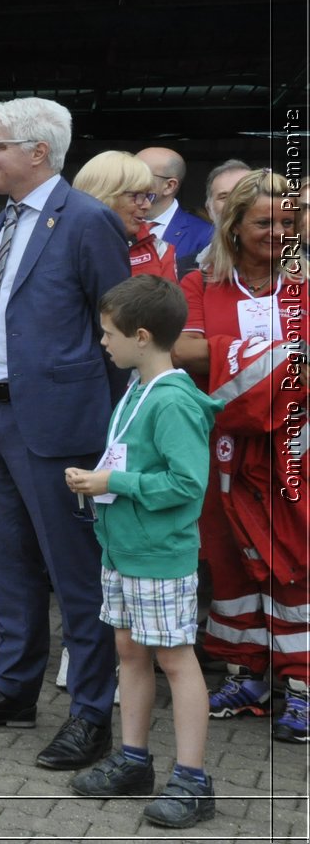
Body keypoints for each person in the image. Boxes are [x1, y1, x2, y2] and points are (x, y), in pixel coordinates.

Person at [0, 97, 129, 772]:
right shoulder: (8, 220)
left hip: (60, 425)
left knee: (75, 577)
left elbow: (118, 336)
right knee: (8, 566)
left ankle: (91, 713)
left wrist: (108, 430)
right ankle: (13, 691)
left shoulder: (89, 221)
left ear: (37, 153)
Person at [62, 276, 221, 828]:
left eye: (109, 334)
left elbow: (186, 485)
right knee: (129, 651)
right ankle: (134, 760)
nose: (103, 342)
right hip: (123, 548)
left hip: (159, 553)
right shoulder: (136, 387)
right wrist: (102, 483)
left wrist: (114, 481)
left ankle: (194, 780)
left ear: (143, 336)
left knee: (175, 658)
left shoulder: (173, 402)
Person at [173, 170, 308, 743]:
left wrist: (228, 356)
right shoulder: (199, 285)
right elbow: (181, 350)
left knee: (296, 561)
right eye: (264, 222)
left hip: (295, 452)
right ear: (232, 225)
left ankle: (301, 686)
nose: (278, 232)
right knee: (228, 563)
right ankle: (247, 673)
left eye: (289, 221)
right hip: (221, 452)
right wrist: (284, 358)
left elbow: (209, 359)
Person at [73, 151, 175, 281]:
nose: (147, 205)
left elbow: (169, 301)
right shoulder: (59, 245)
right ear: (105, 196)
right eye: (138, 196)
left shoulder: (159, 250)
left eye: (148, 196)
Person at [135, 147, 211, 269]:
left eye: (140, 175)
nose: (130, 180)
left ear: (169, 186)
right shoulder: (118, 225)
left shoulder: (205, 234)